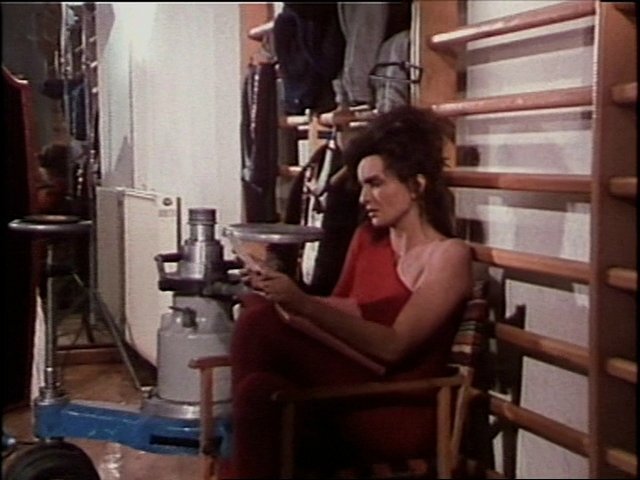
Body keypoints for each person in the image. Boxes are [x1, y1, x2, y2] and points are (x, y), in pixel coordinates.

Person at [224, 105, 474, 479]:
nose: (363, 198)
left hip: (397, 403)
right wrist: (281, 294)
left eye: (376, 184)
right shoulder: (367, 239)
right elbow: (338, 311)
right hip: (344, 388)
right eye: (362, 186)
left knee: (259, 323)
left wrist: (301, 303)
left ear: (416, 185)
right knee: (259, 386)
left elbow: (394, 347)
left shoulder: (448, 256)